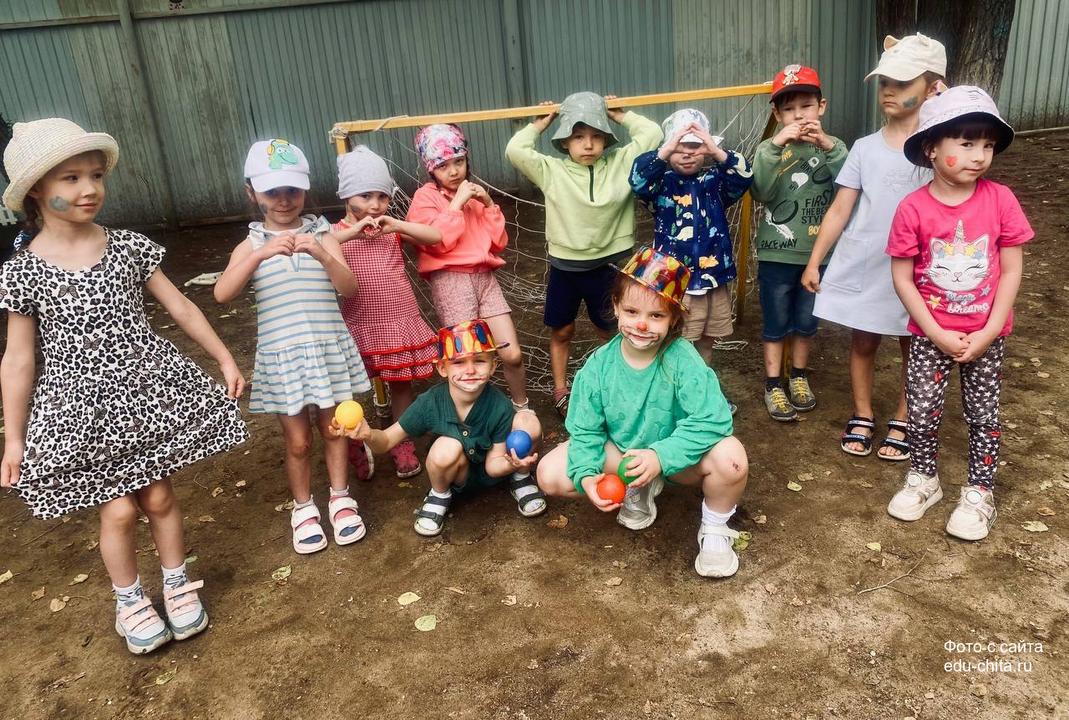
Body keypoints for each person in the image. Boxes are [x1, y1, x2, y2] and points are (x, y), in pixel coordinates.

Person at [0, 118, 248, 654]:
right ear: (37, 189)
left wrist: (224, 356)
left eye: (95, 175)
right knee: (116, 510)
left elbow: (181, 307)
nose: (89, 188)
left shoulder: (128, 247)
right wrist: (14, 438)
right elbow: (18, 360)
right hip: (79, 410)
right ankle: (129, 599)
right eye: (70, 178)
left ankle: (176, 583)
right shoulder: (23, 271)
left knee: (158, 496)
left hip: (145, 395)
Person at [536, 247, 749, 578]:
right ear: (616, 307)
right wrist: (587, 475)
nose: (641, 324)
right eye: (632, 311)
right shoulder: (598, 367)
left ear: (673, 319)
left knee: (732, 459)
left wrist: (661, 456)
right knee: (550, 473)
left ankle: (714, 527)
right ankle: (638, 485)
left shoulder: (683, 359)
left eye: (656, 316)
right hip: (623, 454)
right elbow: (586, 430)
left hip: (679, 458)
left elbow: (714, 419)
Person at [885, 86, 1031, 540]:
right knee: (922, 410)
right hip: (930, 334)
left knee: (983, 414)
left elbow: (1011, 270)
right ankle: (923, 478)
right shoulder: (912, 208)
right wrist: (935, 332)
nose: (979, 155)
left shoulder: (1001, 200)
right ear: (932, 148)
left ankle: (979, 491)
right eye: (966, 143)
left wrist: (989, 331)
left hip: (987, 335)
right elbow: (903, 278)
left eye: (987, 144)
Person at [214, 138, 371, 555]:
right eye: (272, 191)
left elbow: (350, 288)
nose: (283, 200)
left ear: (305, 189)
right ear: (252, 193)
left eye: (292, 190)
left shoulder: (322, 233)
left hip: (327, 349)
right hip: (284, 357)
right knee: (298, 441)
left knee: (335, 429)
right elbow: (222, 293)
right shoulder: (250, 244)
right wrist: (259, 255)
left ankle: (340, 498)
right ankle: (303, 508)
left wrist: (323, 255)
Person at [801, 34, 947, 459]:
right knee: (863, 339)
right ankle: (862, 412)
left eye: (903, 83)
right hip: (869, 262)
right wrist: (815, 262)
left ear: (932, 87)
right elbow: (839, 209)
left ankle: (904, 416)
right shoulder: (864, 148)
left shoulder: (940, 150)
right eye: (885, 82)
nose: (889, 91)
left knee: (913, 344)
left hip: (919, 267)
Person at [506, 92, 663, 416]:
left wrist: (621, 115)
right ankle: (560, 389)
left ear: (607, 138)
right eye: (578, 136)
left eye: (596, 136)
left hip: (610, 265)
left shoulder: (622, 162)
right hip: (566, 267)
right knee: (562, 330)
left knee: (612, 329)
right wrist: (540, 124)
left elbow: (653, 133)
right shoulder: (551, 170)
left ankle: (618, 384)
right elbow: (515, 150)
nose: (588, 144)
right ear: (565, 142)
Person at [334, 319, 545, 536]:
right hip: (456, 473)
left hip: (494, 472)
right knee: (446, 446)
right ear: (442, 368)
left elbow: (493, 465)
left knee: (528, 421)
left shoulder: (499, 405)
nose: (470, 370)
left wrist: (512, 464)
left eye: (480, 360)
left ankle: (521, 477)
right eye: (458, 362)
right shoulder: (430, 402)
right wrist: (368, 435)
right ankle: (439, 494)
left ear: (493, 366)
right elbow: (386, 441)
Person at [629, 108, 753, 414]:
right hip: (675, 282)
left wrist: (714, 149)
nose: (687, 153)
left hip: (713, 278)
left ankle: (702, 393)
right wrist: (666, 149)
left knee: (707, 341)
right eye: (679, 146)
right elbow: (637, 179)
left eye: (695, 147)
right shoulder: (661, 183)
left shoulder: (715, 181)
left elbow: (744, 176)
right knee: (676, 343)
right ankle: (674, 398)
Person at [333, 145, 441, 479]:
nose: (375, 205)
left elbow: (435, 236)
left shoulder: (388, 229)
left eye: (382, 196)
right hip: (359, 322)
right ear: (346, 195)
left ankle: (400, 441)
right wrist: (351, 232)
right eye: (365, 195)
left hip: (398, 320)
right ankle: (353, 439)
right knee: (349, 387)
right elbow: (321, 251)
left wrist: (398, 225)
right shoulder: (334, 234)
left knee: (401, 384)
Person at [405, 124, 529, 411]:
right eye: (443, 166)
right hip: (451, 281)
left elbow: (498, 242)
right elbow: (439, 241)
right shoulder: (426, 198)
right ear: (431, 169)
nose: (453, 171)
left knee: (511, 354)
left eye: (458, 161)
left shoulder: (473, 195)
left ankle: (521, 408)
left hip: (485, 278)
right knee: (466, 357)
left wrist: (488, 204)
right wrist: (457, 204)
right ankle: (470, 416)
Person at [751, 65, 848, 421]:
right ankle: (773, 383)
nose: (798, 116)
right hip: (777, 253)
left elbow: (849, 187)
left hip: (819, 255)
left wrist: (828, 146)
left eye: (806, 106)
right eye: (789, 109)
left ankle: (799, 376)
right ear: (777, 115)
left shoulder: (835, 148)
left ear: (821, 107)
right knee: (776, 321)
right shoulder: (769, 149)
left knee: (807, 320)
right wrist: (776, 146)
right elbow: (760, 191)